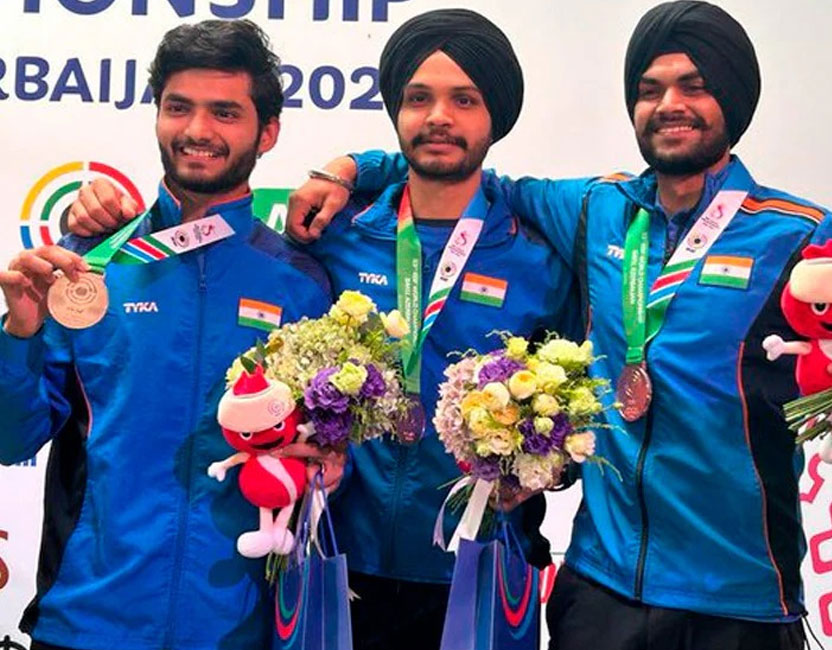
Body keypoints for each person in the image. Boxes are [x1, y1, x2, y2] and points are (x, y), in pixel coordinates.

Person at [282, 2, 832, 649]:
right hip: (600, 591)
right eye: (650, 89)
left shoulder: (797, 235)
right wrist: (347, 169)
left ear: (734, 97)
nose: (670, 104)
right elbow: (456, 165)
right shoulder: (595, 210)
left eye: (693, 86)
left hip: (741, 595)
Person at [64, 9, 580, 650]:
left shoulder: (539, 260)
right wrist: (350, 170)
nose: (438, 117)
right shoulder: (332, 236)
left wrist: (542, 473)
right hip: (336, 562)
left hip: (481, 567)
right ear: (395, 110)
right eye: (418, 98)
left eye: (464, 100)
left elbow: (575, 422)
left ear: (496, 114)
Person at [0, 20, 334, 650]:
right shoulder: (88, 265)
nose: (197, 130)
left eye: (225, 112)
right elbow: (9, 438)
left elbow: (323, 454)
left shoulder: (302, 284)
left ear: (267, 132)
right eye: (179, 107)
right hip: (87, 621)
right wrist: (19, 331)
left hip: (237, 628)